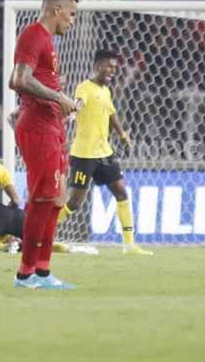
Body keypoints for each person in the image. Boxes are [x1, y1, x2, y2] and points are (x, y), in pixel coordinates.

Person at [8, 0, 79, 290]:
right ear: (56, 10)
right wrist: (58, 97)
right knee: (42, 199)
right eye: (71, 14)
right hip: (38, 127)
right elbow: (18, 80)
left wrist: (61, 104)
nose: (72, 21)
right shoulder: (33, 35)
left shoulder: (47, 41)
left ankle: (43, 271)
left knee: (57, 200)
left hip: (51, 125)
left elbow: (37, 82)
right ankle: (25, 274)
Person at [57, 49, 152, 255]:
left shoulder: (106, 90)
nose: (113, 71)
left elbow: (111, 113)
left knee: (121, 191)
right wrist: (73, 112)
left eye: (115, 67)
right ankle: (43, 234)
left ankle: (129, 245)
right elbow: (79, 104)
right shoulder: (85, 87)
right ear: (98, 64)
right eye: (110, 66)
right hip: (84, 155)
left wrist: (123, 135)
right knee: (74, 203)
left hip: (105, 153)